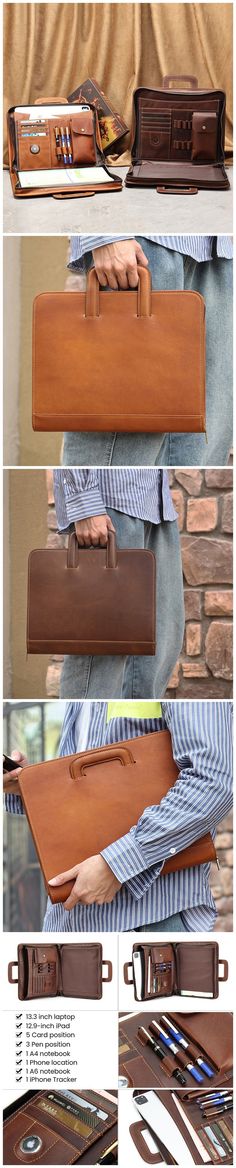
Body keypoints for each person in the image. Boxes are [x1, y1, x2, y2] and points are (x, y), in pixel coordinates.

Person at [5, 700, 233, 934]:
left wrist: (115, 865)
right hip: (71, 923)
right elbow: (90, 791)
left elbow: (212, 782)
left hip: (148, 919)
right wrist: (31, 787)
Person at [63, 234, 233, 467]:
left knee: (203, 443)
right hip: (140, 252)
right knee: (115, 443)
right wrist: (103, 235)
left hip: (214, 253)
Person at [53, 467, 184, 698]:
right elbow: (79, 443)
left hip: (155, 505)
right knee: (100, 655)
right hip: (109, 505)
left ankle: (128, 729)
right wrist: (84, 503)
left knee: (160, 647)